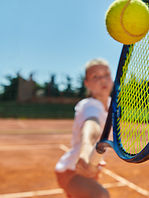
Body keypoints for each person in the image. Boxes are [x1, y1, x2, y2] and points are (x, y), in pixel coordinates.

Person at [55, 58, 113, 198]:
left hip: (89, 170)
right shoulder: (89, 105)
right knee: (100, 195)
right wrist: (86, 148)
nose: (102, 79)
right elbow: (91, 125)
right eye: (95, 76)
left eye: (106, 74)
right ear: (86, 83)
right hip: (72, 171)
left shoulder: (112, 105)